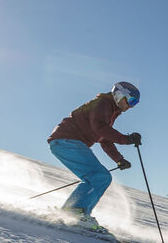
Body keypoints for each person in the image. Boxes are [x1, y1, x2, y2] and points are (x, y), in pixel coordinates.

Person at [47, 81, 142, 233]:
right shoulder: (103, 103)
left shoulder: (110, 111)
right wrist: (126, 139)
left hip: (66, 142)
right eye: (131, 101)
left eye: (135, 103)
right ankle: (76, 212)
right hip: (67, 141)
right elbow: (99, 127)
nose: (131, 106)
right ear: (119, 94)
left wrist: (119, 159)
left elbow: (103, 138)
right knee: (99, 176)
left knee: (99, 177)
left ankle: (72, 212)